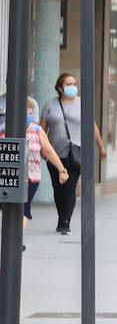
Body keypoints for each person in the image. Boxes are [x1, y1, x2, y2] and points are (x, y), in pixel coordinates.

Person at [41, 72, 106, 235]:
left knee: (69, 187)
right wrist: (41, 148)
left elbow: (93, 127)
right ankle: (61, 217)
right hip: (54, 155)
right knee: (58, 188)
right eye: (69, 84)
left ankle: (65, 222)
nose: (73, 87)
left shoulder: (82, 104)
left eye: (74, 84)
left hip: (76, 153)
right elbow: (42, 128)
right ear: (60, 87)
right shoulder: (50, 105)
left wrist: (101, 146)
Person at [23, 97, 67, 249]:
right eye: (24, 112)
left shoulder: (37, 130)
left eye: (30, 112)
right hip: (9, 177)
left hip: (31, 176)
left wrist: (61, 169)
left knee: (24, 207)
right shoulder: (4, 128)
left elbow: (48, 150)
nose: (28, 115)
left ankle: (16, 239)